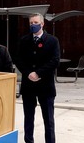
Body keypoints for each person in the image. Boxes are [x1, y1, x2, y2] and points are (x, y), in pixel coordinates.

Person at [15, 13, 60, 143]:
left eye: (35, 22)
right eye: (31, 23)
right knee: (28, 119)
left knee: (49, 120)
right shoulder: (24, 40)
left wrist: (38, 73)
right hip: (28, 86)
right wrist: (28, 73)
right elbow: (18, 59)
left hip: (45, 86)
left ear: (42, 23)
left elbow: (55, 61)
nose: (33, 25)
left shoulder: (52, 41)